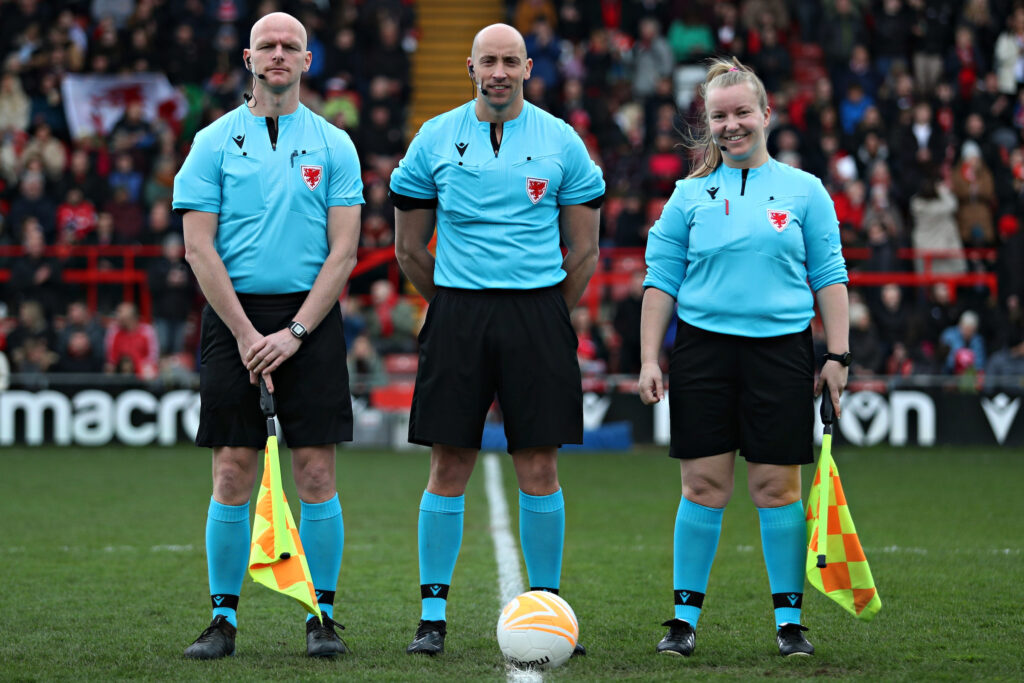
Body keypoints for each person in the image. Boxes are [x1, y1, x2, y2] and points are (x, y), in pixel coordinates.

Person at [389, 23, 604, 657]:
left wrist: (545, 314)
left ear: (529, 68)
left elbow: (585, 250)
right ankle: (432, 619)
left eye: (512, 60)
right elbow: (407, 249)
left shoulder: (562, 141)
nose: (500, 71)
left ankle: (550, 609)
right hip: (458, 313)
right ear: (471, 66)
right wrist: (455, 307)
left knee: (540, 466)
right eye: (490, 61)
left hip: (538, 314)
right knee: (447, 464)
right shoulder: (433, 138)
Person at [638, 58, 850, 659]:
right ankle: (682, 624)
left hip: (782, 352)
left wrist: (838, 354)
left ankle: (789, 626)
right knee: (703, 486)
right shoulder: (685, 196)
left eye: (741, 113)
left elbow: (830, 276)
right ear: (707, 123)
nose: (732, 125)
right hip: (703, 352)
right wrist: (651, 358)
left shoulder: (806, 191)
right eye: (719, 116)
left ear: (766, 114)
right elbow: (660, 283)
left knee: (777, 487)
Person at [172, 12, 363, 661]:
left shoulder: (336, 143)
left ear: (307, 60)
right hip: (235, 318)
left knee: (315, 471)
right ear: (249, 58)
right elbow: (199, 248)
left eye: (290, 46)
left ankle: (321, 615)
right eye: (267, 46)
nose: (278, 55)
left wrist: (295, 331)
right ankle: (222, 621)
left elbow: (344, 253)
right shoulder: (212, 141)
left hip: (311, 315)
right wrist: (251, 333)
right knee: (233, 469)